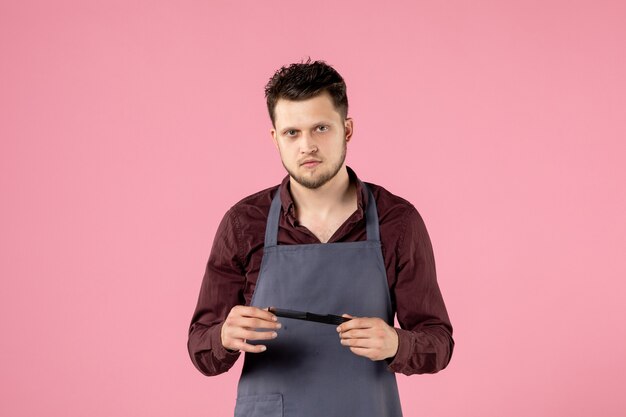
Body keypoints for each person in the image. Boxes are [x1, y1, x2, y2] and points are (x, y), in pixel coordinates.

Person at [187, 58, 454, 417]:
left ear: (347, 129)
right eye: (292, 132)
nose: (307, 146)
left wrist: (396, 342)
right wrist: (223, 336)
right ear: (275, 138)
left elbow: (438, 340)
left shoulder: (397, 222)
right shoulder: (243, 224)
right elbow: (201, 348)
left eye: (321, 129)